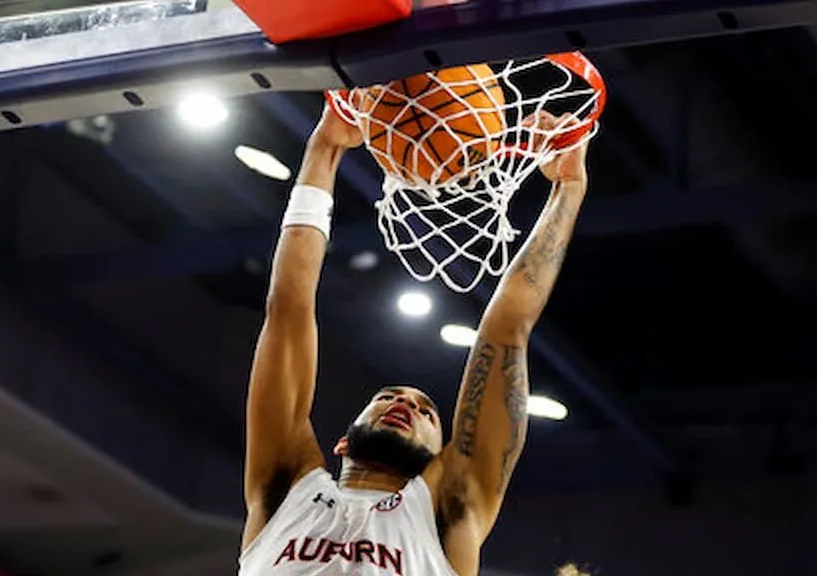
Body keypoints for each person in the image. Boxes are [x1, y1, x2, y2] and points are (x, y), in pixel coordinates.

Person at [239, 104, 591, 576]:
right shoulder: (286, 489)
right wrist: (323, 148)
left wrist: (568, 188)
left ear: (439, 455)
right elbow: (288, 307)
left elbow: (507, 328)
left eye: (426, 412)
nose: (405, 403)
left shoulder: (448, 509)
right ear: (342, 443)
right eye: (387, 397)